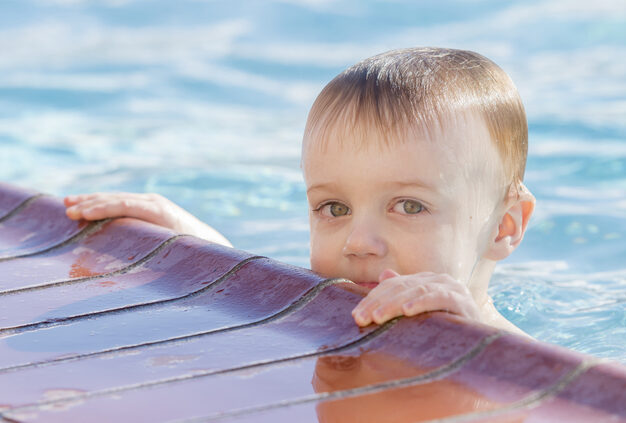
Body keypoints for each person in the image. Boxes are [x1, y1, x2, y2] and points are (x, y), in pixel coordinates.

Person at [64, 47, 535, 335]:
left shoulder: (509, 351)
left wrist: (469, 338)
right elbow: (269, 301)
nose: (357, 242)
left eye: (409, 206)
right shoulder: (333, 301)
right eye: (334, 207)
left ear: (504, 226)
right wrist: (197, 251)